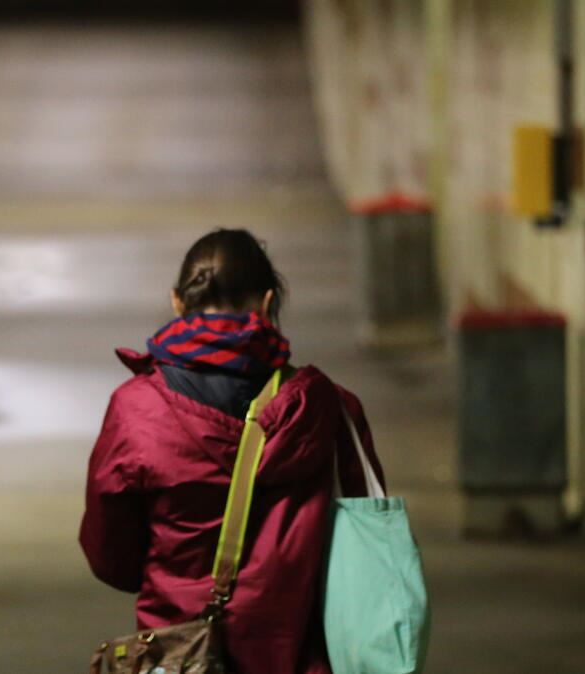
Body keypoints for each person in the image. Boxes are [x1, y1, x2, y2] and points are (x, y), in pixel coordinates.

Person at [79, 228, 386, 674]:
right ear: (267, 303)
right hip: (301, 655)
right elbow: (365, 536)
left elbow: (112, 557)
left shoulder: (137, 410)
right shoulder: (326, 407)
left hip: (182, 655)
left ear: (177, 302)